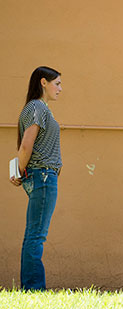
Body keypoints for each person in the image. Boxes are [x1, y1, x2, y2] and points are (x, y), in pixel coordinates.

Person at [9, 66, 63, 291]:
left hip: (41, 176)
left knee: (33, 235)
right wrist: (20, 171)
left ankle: (30, 287)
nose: (60, 88)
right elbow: (26, 145)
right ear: (43, 82)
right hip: (42, 176)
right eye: (57, 83)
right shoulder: (37, 107)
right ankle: (34, 289)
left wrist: (20, 170)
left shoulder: (39, 108)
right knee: (36, 236)